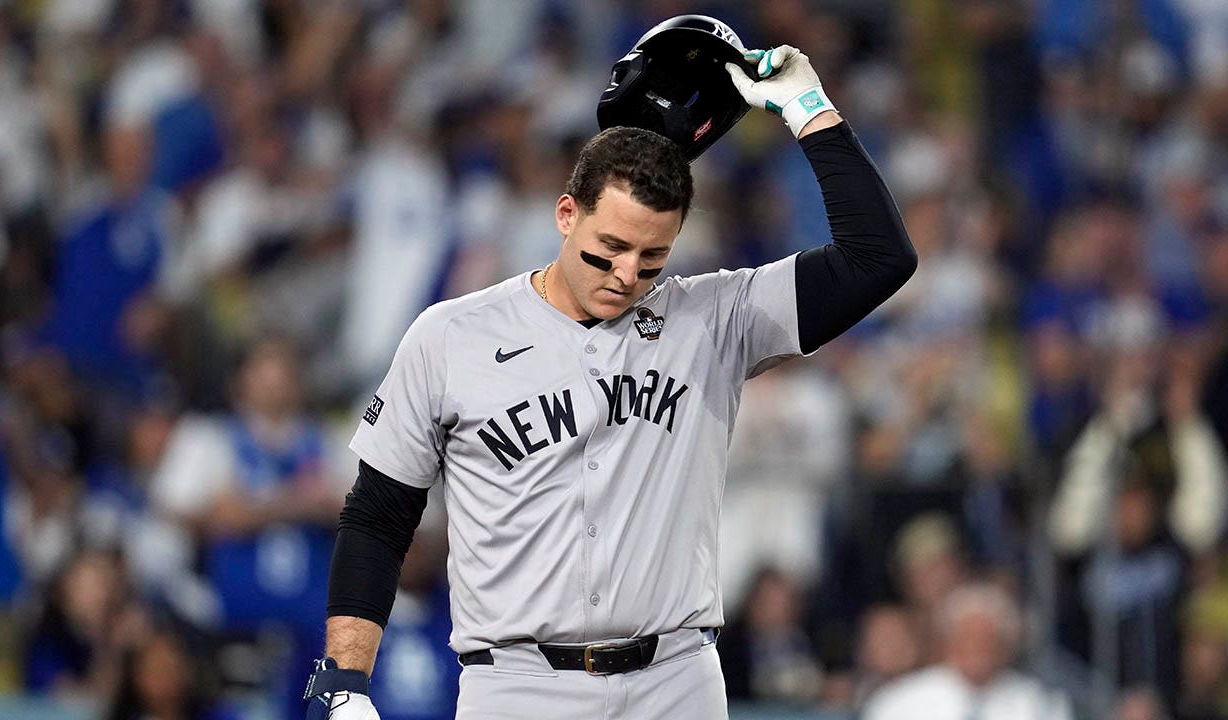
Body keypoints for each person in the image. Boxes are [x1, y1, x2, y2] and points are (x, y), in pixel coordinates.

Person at [306, 44, 917, 720]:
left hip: (676, 682)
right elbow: (379, 514)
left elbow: (879, 258)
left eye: (653, 257)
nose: (627, 274)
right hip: (518, 685)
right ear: (566, 214)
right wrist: (346, 679)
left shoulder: (714, 318)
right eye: (610, 249)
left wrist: (809, 110)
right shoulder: (453, 335)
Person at [862, 583, 1073, 720]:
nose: (977, 651)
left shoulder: (1038, 704)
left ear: (1005, 647)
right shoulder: (900, 703)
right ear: (948, 642)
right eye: (968, 639)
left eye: (987, 640)